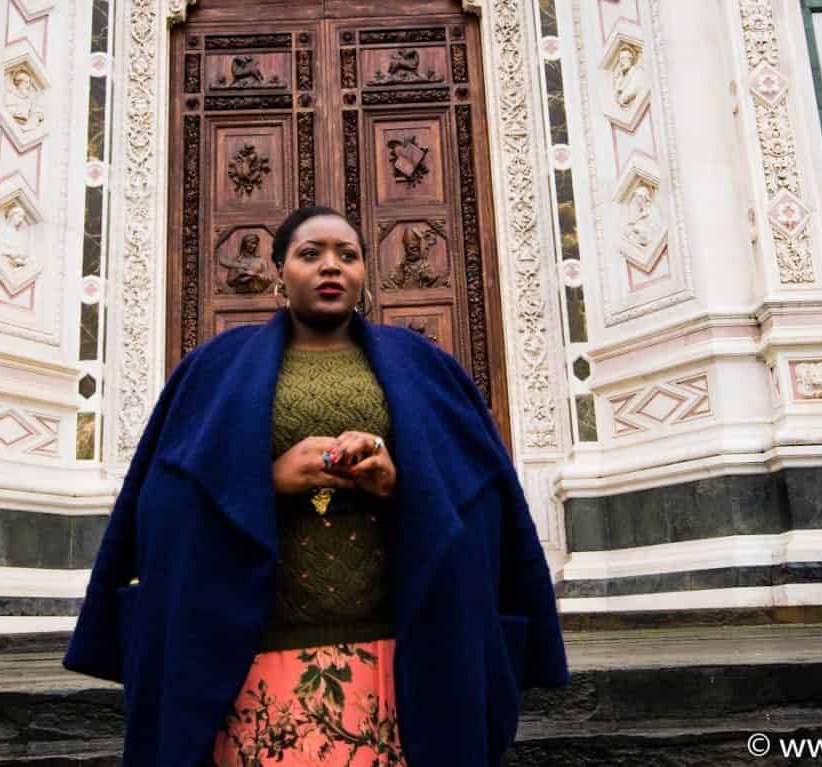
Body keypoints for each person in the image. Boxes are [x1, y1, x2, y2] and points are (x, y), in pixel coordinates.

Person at [63, 206, 568, 767]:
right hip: (259, 658)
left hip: (397, 657)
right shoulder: (215, 370)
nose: (331, 266)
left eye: (347, 255)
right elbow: (162, 506)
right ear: (280, 270)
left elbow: (479, 498)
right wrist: (268, 481)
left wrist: (397, 480)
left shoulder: (425, 366)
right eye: (311, 254)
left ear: (363, 272)